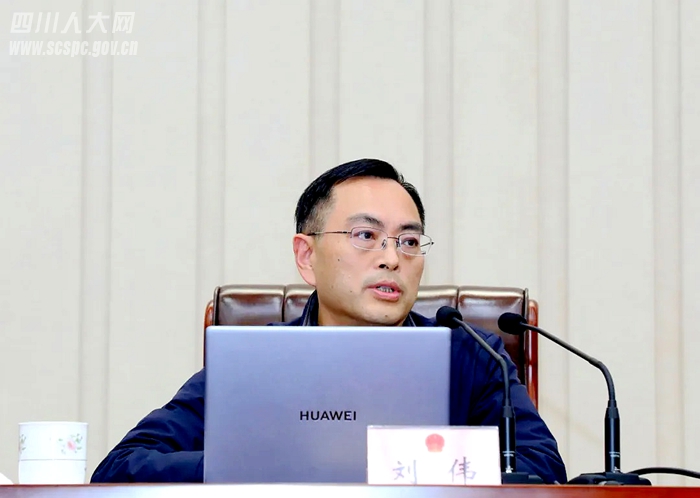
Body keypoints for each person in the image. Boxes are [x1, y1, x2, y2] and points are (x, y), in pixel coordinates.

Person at [91, 159, 567, 484]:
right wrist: (255, 466)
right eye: (365, 235)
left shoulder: (472, 357)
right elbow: (121, 467)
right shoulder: (258, 364)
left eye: (408, 241)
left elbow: (542, 470)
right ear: (306, 256)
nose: (391, 258)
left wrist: (404, 466)